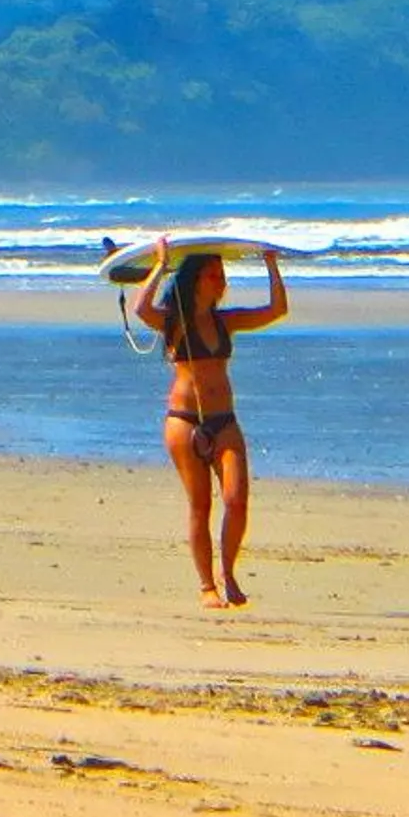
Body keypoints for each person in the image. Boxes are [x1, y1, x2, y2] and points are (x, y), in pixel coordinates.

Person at [134, 240, 286, 609]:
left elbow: (276, 310)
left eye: (223, 275)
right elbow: (141, 308)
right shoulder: (175, 321)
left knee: (236, 500)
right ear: (196, 280)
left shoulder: (225, 321)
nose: (222, 281)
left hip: (224, 421)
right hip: (185, 423)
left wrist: (271, 264)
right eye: (214, 275)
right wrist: (160, 264)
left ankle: (228, 573)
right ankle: (207, 586)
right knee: (200, 505)